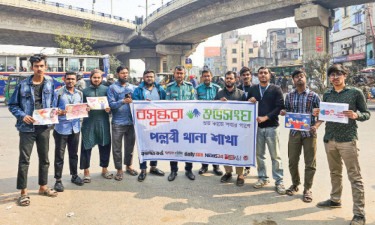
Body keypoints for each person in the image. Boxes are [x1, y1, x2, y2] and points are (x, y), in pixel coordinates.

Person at [313, 64, 370, 225]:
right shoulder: (328, 93)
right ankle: (335, 199)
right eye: (332, 75)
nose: (335, 77)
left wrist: (356, 115)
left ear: (345, 76)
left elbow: (366, 114)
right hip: (330, 139)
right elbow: (325, 114)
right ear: (329, 78)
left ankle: (359, 213)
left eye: (338, 74)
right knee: (334, 172)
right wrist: (318, 113)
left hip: (348, 139)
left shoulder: (355, 93)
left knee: (355, 176)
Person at [8, 54, 57, 206]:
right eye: (36, 66)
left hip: (44, 128)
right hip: (27, 128)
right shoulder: (22, 85)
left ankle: (43, 187)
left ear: (46, 67)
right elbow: (12, 105)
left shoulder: (50, 84)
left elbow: (54, 103)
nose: (39, 69)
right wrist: (23, 115)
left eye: (42, 66)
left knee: (45, 159)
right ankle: (23, 192)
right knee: (24, 160)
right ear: (32, 68)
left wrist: (55, 113)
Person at [280, 70, 322, 202]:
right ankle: (295, 183)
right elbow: (287, 110)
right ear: (293, 80)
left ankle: (307, 188)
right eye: (296, 77)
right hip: (294, 132)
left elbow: (322, 115)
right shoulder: (290, 96)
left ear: (305, 79)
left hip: (309, 133)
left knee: (310, 162)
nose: (299, 78)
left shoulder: (313, 96)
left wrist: (315, 126)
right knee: (292, 161)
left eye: (301, 76)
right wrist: (283, 112)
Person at [248, 66, 286, 195]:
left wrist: (266, 117)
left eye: (265, 73)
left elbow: (280, 107)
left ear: (270, 75)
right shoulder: (253, 89)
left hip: (272, 127)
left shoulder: (276, 89)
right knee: (260, 155)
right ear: (257, 75)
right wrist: (250, 101)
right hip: (258, 128)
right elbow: (246, 105)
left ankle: (279, 181)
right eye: (260, 73)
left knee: (275, 156)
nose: (263, 75)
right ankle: (262, 178)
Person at [52, 71, 85, 192]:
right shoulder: (58, 93)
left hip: (75, 128)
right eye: (68, 79)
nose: (70, 81)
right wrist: (58, 112)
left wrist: (86, 109)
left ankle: (74, 175)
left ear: (76, 80)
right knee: (59, 155)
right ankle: (58, 180)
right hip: (61, 128)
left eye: (73, 79)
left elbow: (81, 108)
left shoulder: (79, 94)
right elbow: (51, 109)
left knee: (74, 154)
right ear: (64, 80)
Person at [132, 70, 167, 182]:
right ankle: (143, 170)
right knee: (143, 146)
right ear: (143, 78)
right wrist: (143, 102)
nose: (149, 78)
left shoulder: (160, 89)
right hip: (143, 123)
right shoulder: (138, 90)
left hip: (157, 122)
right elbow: (134, 104)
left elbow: (166, 103)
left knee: (154, 146)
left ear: (154, 78)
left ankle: (153, 167)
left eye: (151, 77)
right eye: (147, 77)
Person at [215, 71, 247, 186]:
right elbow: (212, 109)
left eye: (231, 78)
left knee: (238, 151)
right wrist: (219, 103)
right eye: (227, 78)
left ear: (235, 80)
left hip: (238, 129)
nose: (229, 80)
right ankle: (228, 173)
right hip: (224, 129)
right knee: (226, 151)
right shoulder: (219, 94)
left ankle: (240, 174)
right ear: (225, 80)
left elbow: (246, 112)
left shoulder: (241, 94)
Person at [80, 69, 112, 183]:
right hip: (89, 123)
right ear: (91, 78)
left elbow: (111, 104)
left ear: (101, 78)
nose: (97, 80)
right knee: (86, 146)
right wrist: (84, 109)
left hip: (103, 122)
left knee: (105, 145)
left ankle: (104, 169)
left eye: (99, 78)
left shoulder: (107, 90)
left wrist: (109, 109)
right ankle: (86, 171)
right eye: (94, 78)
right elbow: (79, 107)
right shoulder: (84, 91)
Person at [107, 66, 138, 181]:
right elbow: (111, 105)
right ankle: (119, 169)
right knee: (117, 148)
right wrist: (122, 101)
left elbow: (138, 101)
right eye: (122, 73)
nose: (125, 75)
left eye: (126, 73)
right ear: (117, 74)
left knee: (130, 146)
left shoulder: (133, 88)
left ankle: (128, 166)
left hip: (131, 122)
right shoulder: (112, 88)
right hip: (118, 122)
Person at [166, 65, 196, 181]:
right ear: (174, 74)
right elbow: (166, 105)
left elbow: (194, 104)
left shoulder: (189, 87)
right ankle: (173, 170)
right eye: (177, 73)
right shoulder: (168, 87)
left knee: (189, 146)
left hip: (187, 123)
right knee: (173, 147)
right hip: (174, 123)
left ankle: (189, 169)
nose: (179, 75)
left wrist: (190, 119)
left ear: (184, 74)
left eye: (181, 73)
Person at [195, 69, 223, 176]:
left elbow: (222, 104)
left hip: (215, 122)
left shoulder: (217, 89)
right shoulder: (197, 89)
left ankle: (216, 166)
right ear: (202, 77)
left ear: (211, 77)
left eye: (208, 76)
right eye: (205, 76)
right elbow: (195, 105)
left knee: (215, 144)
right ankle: (204, 166)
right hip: (202, 122)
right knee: (204, 144)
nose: (207, 78)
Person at [236, 66, 253, 176]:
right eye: (244, 75)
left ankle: (249, 167)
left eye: (247, 74)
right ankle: (243, 168)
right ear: (240, 77)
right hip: (240, 122)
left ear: (250, 76)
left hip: (252, 121)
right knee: (241, 144)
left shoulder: (256, 88)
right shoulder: (237, 89)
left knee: (251, 145)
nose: (246, 77)